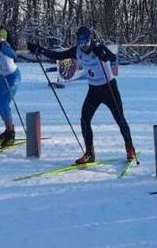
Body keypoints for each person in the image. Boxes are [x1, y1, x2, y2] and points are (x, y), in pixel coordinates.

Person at [28, 26, 136, 165]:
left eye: (85, 42)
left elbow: (112, 57)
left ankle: (129, 148)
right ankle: (89, 153)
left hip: (109, 88)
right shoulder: (77, 51)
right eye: (81, 42)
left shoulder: (97, 47)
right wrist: (40, 49)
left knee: (119, 119)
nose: (83, 45)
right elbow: (58, 55)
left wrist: (103, 54)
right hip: (94, 90)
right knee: (85, 120)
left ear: (90, 39)